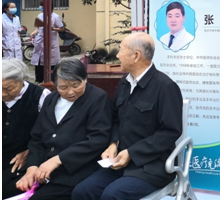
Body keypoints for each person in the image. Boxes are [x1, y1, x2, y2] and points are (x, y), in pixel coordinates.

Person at [72, 33, 183, 200]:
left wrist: (132, 153)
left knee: (112, 195)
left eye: (121, 50)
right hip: (119, 161)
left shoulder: (166, 87)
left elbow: (170, 132)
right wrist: (113, 143)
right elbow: (116, 118)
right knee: (82, 191)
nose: (117, 55)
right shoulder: (125, 82)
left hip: (151, 166)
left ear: (136, 55)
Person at [15, 58, 112, 200]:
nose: (70, 92)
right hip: (43, 170)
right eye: (63, 87)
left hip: (75, 171)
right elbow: (37, 138)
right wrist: (32, 167)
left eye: (75, 85)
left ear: (85, 79)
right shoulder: (51, 99)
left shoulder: (98, 98)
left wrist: (57, 160)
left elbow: (98, 139)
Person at [3, 58, 51, 199]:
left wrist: (30, 151)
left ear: (22, 80)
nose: (3, 94)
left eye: (9, 89)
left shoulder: (41, 96)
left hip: (23, 160)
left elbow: (52, 132)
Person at [30, 1, 64, 84]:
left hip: (51, 43)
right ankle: (38, 81)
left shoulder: (55, 17)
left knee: (51, 64)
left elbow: (62, 29)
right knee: (39, 63)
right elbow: (38, 28)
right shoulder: (39, 15)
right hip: (40, 42)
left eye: (42, 6)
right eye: (40, 6)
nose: (41, 7)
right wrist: (33, 33)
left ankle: (52, 82)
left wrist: (52, 28)